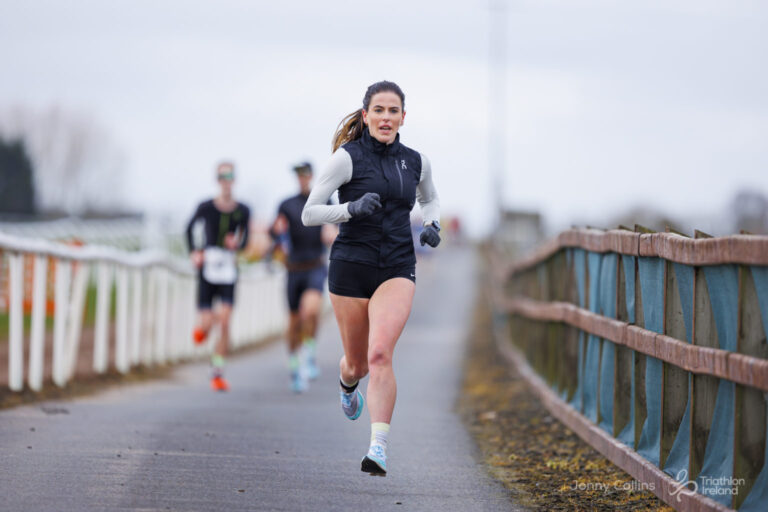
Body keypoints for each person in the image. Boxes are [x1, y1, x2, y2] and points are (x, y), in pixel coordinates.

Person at [301, 81, 441, 476]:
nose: (385, 117)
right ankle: (347, 386)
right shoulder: (347, 159)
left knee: (381, 355)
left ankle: (378, 446)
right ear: (365, 116)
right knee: (358, 364)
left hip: (397, 265)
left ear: (402, 117)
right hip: (351, 265)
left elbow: (429, 197)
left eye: (392, 110)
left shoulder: (416, 161)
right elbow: (310, 213)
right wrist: (350, 209)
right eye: (378, 110)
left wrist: (433, 223)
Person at [270, 162, 336, 393]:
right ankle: (294, 366)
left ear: (311, 176)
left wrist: (331, 232)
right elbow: (274, 234)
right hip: (293, 268)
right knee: (294, 323)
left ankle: (309, 354)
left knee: (311, 311)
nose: (302, 179)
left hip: (315, 266)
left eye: (305, 174)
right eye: (298, 175)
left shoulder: (324, 201)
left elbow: (336, 228)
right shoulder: (286, 205)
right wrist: (277, 234)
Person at [186, 161, 251, 392]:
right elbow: (189, 228)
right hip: (208, 267)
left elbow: (246, 239)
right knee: (207, 323)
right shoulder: (206, 207)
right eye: (222, 176)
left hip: (228, 270)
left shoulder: (243, 209)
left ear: (234, 180)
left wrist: (238, 243)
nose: (226, 181)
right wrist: (195, 251)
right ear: (217, 180)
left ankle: (218, 372)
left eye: (230, 176)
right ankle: (202, 329)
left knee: (224, 322)